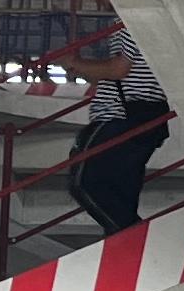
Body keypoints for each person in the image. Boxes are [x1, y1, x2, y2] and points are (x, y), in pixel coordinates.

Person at [66, 20, 172, 236]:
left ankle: (134, 238)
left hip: (120, 117)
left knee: (84, 182)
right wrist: (80, 67)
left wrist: (74, 61)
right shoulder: (147, 24)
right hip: (147, 117)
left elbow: (118, 69)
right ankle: (132, 242)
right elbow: (115, 74)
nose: (95, 0)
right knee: (121, 190)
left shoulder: (127, 22)